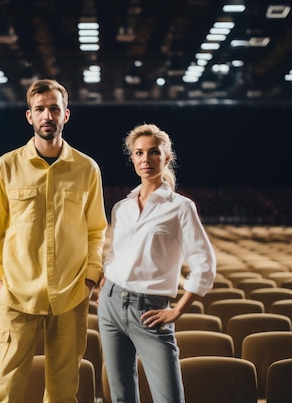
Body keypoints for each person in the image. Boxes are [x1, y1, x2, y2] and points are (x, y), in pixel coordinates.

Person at [0, 78, 107, 403]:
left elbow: (97, 231)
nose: (47, 116)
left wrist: (89, 280)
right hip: (16, 296)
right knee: (5, 392)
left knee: (64, 394)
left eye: (54, 108)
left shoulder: (87, 169)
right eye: (40, 109)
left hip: (70, 296)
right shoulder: (6, 167)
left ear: (66, 115)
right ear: (29, 116)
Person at [98, 123, 217, 403]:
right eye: (139, 153)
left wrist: (177, 311)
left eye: (153, 152)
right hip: (110, 304)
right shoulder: (122, 207)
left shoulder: (180, 207)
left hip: (150, 310)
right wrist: (106, 277)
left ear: (166, 157)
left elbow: (204, 264)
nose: (145, 159)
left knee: (169, 398)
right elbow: (116, 252)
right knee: (121, 396)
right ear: (133, 159)